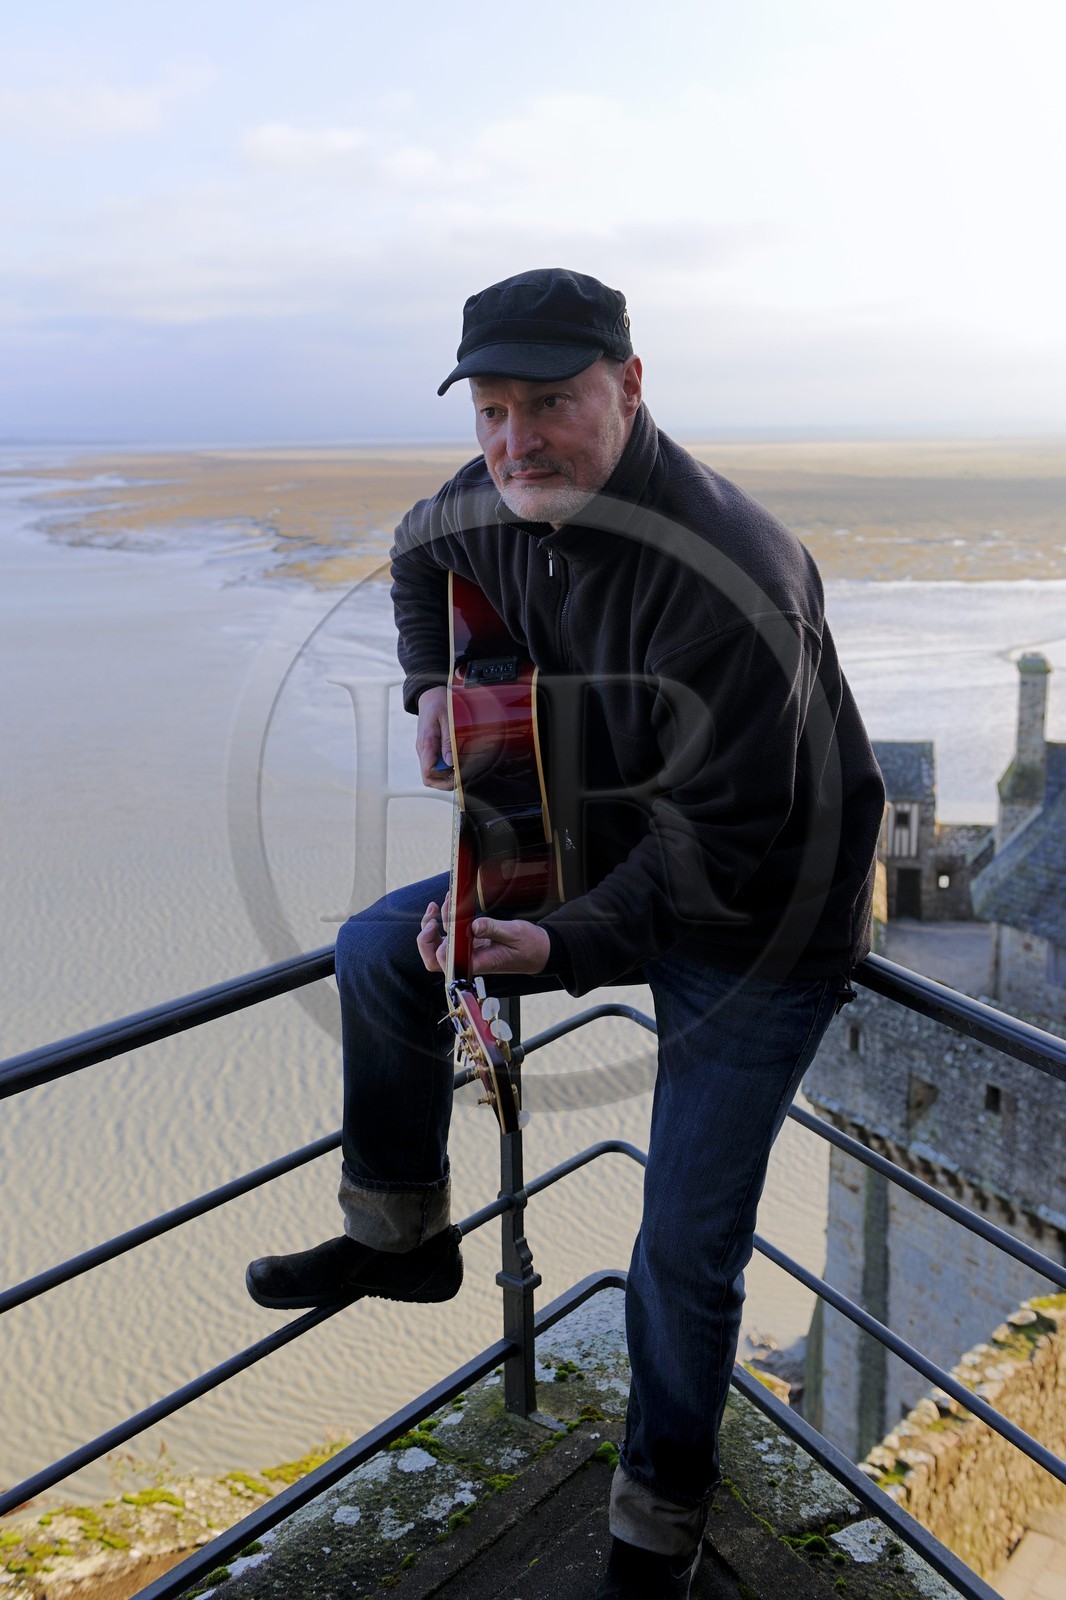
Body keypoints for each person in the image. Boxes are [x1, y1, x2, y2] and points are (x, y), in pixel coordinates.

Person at [247, 268, 886, 1599]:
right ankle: (403, 1234)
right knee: (377, 951)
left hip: (757, 915)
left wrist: (563, 947)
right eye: (490, 409)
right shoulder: (494, 497)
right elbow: (417, 547)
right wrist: (434, 685)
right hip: (588, 855)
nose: (512, 440)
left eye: (548, 402)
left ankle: (655, 1521)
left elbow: (718, 849)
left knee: (683, 1246)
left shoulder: (733, 581)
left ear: (629, 387)